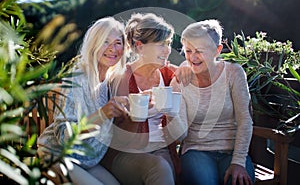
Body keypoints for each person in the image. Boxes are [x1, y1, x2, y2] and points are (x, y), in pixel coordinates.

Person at [37, 17, 129, 185]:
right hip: (56, 155)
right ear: (93, 45)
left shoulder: (111, 82)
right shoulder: (78, 79)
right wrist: (101, 115)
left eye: (118, 42)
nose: (112, 49)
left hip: (87, 161)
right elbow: (63, 136)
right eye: (105, 42)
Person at [101, 13, 189, 185]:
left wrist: (186, 67)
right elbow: (118, 139)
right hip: (127, 153)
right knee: (160, 168)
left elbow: (196, 70)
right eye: (161, 44)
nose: (167, 50)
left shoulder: (168, 73)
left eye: (169, 43)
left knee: (171, 169)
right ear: (140, 47)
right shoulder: (122, 78)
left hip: (163, 149)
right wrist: (136, 114)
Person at [170, 19, 255, 185]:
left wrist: (238, 161)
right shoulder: (179, 81)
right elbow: (181, 136)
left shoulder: (233, 73)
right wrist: (170, 111)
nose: (192, 58)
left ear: (217, 50)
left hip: (233, 152)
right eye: (188, 51)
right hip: (195, 152)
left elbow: (245, 120)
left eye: (199, 51)